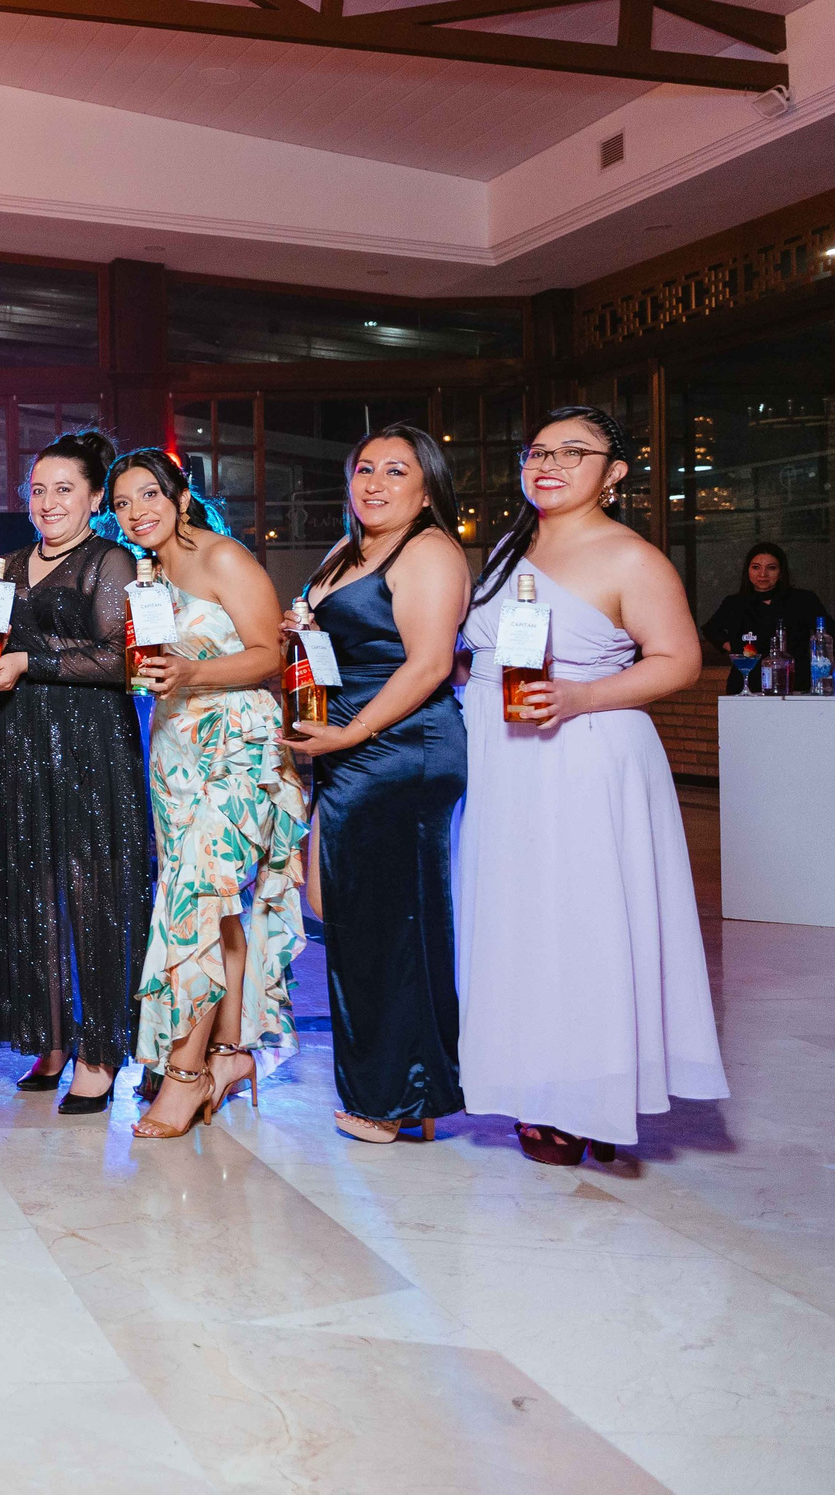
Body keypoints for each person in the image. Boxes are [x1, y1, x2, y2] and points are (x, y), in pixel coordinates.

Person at [455, 405, 729, 1166]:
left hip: (582, 751)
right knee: (518, 920)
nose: (548, 463)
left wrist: (580, 696)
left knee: (581, 921)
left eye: (574, 453)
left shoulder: (630, 557)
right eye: (538, 450)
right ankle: (527, 1077)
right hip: (501, 754)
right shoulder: (510, 546)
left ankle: (588, 1092)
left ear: (614, 474)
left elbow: (675, 659)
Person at [113, 448, 308, 1141]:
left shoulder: (224, 557)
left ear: (180, 496)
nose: (137, 510)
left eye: (148, 495)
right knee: (215, 904)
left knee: (196, 894)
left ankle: (185, 1072)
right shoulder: (147, 574)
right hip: (174, 747)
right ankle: (231, 1054)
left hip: (238, 743)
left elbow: (268, 654)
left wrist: (193, 673)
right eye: (124, 502)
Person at [281, 426, 469, 1146]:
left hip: (401, 745)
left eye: (398, 470)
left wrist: (351, 734)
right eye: (365, 467)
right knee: (361, 912)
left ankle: (390, 1096)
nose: (376, 482)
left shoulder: (430, 549)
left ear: (427, 487)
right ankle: (413, 1086)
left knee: (387, 921)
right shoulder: (349, 548)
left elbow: (427, 665)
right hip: (349, 741)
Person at [0, 430, 155, 1116]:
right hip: (19, 738)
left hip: (90, 745)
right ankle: (47, 1035)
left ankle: (99, 1053)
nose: (48, 501)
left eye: (64, 488)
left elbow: (122, 660)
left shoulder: (113, 561)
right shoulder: (7, 562)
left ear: (95, 497)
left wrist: (30, 662)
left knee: (91, 890)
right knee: (30, 888)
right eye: (38, 489)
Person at [700, 542, 835, 692]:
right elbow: (711, 629)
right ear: (748, 570)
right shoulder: (735, 602)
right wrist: (734, 647)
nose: (763, 574)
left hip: (794, 684)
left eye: (771, 568)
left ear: (781, 572)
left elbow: (833, 635)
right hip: (746, 685)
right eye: (756, 567)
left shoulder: (803, 600)